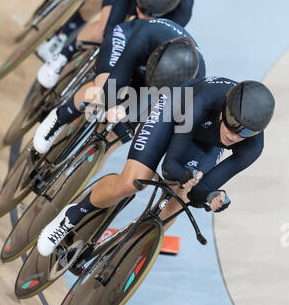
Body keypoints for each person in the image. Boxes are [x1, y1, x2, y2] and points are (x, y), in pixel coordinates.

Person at [37, 77, 275, 257]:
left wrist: (213, 195)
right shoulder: (205, 99)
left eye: (245, 132)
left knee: (179, 200)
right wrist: (184, 176)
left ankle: (126, 252)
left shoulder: (252, 147)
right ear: (225, 110)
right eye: (232, 125)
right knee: (132, 182)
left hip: (204, 142)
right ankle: (71, 215)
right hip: (174, 112)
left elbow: (199, 192)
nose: (234, 136)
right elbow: (170, 166)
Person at [33, 17, 206, 156]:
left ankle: (80, 168)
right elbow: (118, 78)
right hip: (129, 43)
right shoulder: (148, 35)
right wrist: (113, 104)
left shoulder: (194, 80)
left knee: (119, 135)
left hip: (156, 85)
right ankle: (60, 117)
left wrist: (137, 118)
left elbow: (166, 114)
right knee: (102, 94)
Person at [37, 0, 195, 89]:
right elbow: (113, 26)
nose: (141, 15)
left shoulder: (182, 13)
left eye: (149, 15)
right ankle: (63, 55)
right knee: (105, 29)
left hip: (157, 15)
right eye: (141, 10)